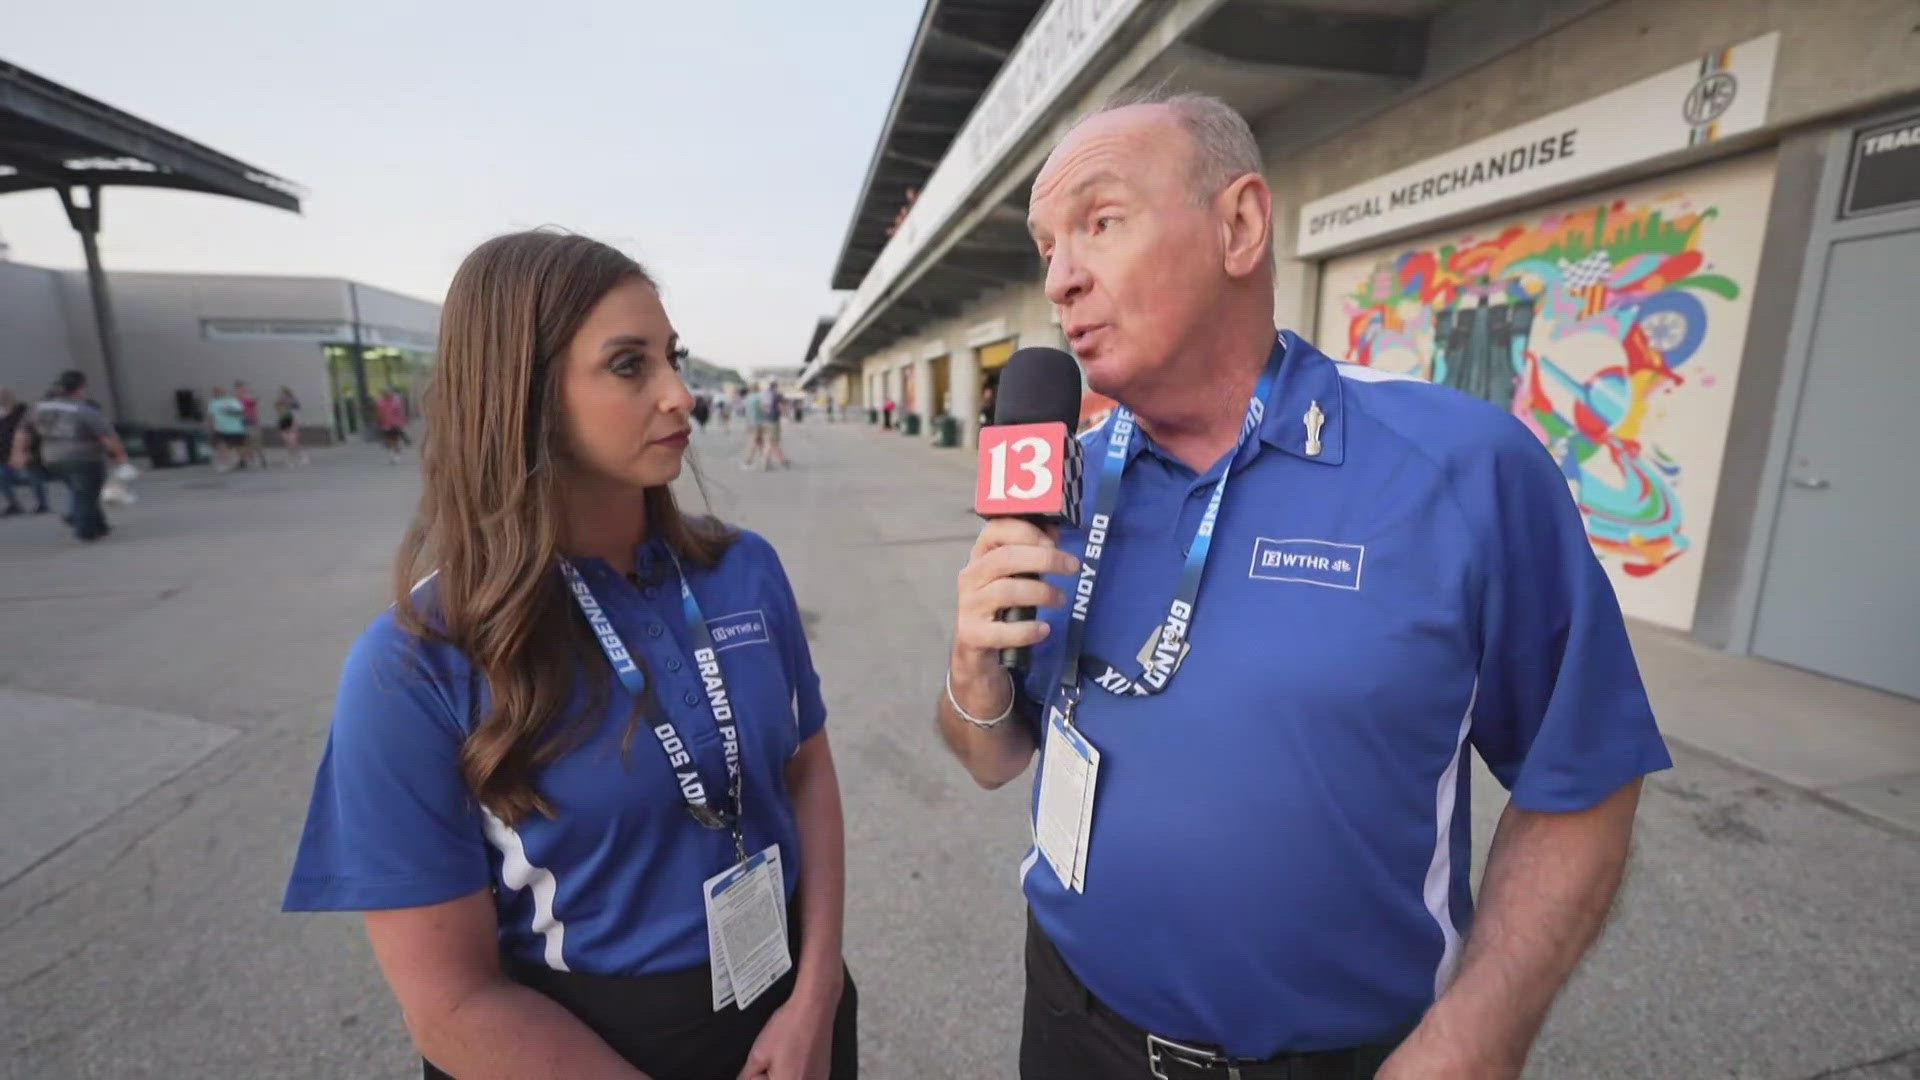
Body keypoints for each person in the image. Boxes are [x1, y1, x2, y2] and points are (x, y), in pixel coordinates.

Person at [937, 92, 1671, 1080]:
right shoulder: (1061, 483)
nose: (1061, 279)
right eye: (1047, 246)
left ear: (1237, 225)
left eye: (1100, 223)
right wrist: (974, 681)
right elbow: (991, 761)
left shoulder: (1462, 469)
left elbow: (1583, 776)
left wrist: (1482, 1030)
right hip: (1069, 1022)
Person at [283, 230, 854, 1080]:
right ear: (525, 393)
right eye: (630, 366)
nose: (680, 396)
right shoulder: (416, 664)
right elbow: (450, 1003)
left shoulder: (741, 569)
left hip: (791, 1013)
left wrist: (817, 999)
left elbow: (806, 774)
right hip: (576, 1044)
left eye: (674, 357)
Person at [11, 370, 129, 542]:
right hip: (85, 458)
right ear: (79, 389)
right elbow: (108, 436)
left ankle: (99, 525)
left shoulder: (38, 408)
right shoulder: (84, 410)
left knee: (83, 491)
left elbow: (22, 432)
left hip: (52, 458)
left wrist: (18, 454)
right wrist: (120, 456)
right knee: (86, 492)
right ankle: (84, 529)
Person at [0, 387, 51, 516]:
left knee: (34, 477)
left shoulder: (22, 411)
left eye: (3, 395)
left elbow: (31, 430)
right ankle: (14, 505)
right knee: (3, 478)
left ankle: (42, 505)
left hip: (25, 449)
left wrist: (28, 449)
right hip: (5, 453)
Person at [206, 385, 249, 471]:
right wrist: (211, 427)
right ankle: (225, 463)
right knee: (222, 446)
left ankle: (242, 461)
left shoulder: (231, 401)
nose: (217, 393)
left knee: (238, 447)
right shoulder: (214, 403)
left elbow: (241, 412)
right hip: (223, 428)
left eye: (218, 392)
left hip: (234, 428)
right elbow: (211, 417)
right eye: (216, 392)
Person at [235, 380, 269, 469]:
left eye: (243, 388)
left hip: (252, 421)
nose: (243, 389)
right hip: (241, 421)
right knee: (243, 441)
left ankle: (261, 458)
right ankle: (244, 460)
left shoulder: (247, 398)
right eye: (240, 388)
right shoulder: (236, 398)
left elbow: (253, 403)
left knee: (255, 440)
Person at [274, 386, 310, 466]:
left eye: (283, 394)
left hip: (291, 422)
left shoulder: (293, 402)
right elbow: (279, 414)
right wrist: (277, 423)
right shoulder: (279, 403)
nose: (281, 396)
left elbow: (296, 412)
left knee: (293, 441)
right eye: (281, 394)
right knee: (287, 442)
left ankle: (303, 456)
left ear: (288, 394)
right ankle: (291, 458)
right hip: (283, 423)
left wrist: (295, 424)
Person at [376, 387, 412, 463]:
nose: (386, 396)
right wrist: (380, 422)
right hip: (385, 424)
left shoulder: (395, 402)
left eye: (387, 394)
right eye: (384, 394)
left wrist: (402, 421)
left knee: (394, 441)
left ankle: (396, 456)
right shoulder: (380, 402)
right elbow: (380, 413)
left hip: (394, 424)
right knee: (388, 441)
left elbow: (399, 412)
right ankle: (393, 454)